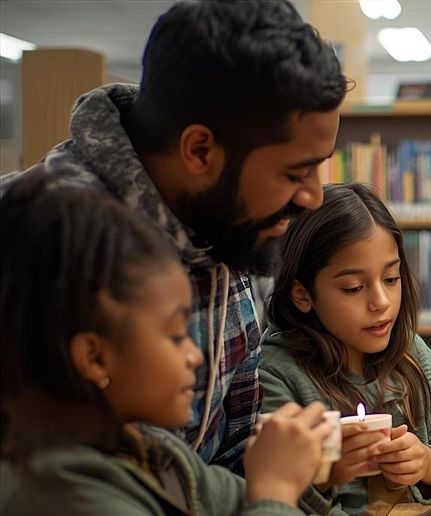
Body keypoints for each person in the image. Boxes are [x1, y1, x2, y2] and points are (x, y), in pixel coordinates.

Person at [0, 172, 431, 516]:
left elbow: (235, 514)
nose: (195, 357)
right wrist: (276, 493)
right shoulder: (53, 508)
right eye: (175, 335)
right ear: (95, 358)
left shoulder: (145, 451)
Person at [0, 0, 345, 472]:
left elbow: (230, 463)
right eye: (295, 173)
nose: (313, 197)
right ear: (200, 150)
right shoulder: (38, 244)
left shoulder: (221, 220)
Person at [260, 184, 431, 516]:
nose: (381, 301)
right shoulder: (278, 374)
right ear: (302, 294)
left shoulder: (411, 353)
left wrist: (426, 464)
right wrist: (327, 474)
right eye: (353, 288)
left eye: (391, 278)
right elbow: (277, 508)